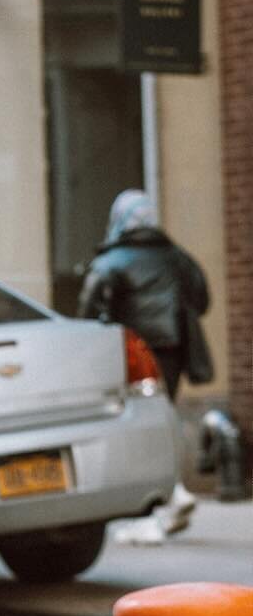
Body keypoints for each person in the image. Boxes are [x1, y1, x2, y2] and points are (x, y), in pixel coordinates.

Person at [78, 188, 211, 534]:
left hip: (132, 354)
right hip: (172, 348)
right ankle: (169, 494)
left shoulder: (111, 262)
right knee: (165, 416)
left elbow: (88, 313)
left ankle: (165, 496)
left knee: (137, 424)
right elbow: (202, 298)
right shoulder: (177, 258)